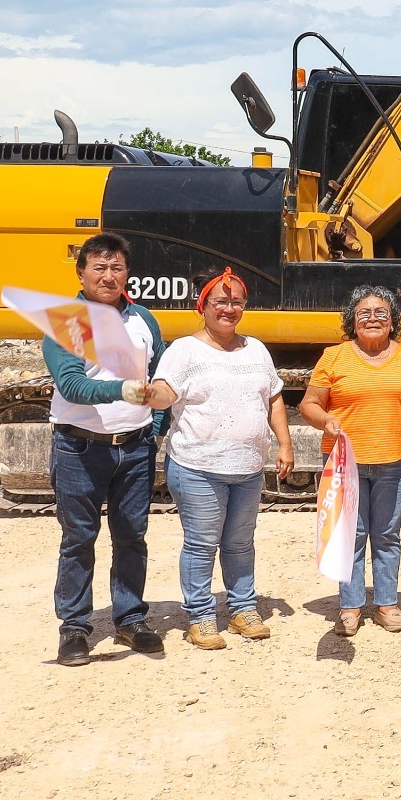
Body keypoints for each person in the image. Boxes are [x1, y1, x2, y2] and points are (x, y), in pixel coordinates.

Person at [147, 269, 288, 649]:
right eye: (221, 301)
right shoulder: (184, 351)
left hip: (248, 468)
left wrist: (285, 444)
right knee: (202, 544)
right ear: (203, 305)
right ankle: (201, 617)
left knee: (241, 543)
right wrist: (149, 394)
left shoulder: (256, 349)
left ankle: (242, 609)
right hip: (198, 468)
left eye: (237, 302)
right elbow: (165, 393)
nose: (229, 309)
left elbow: (274, 398)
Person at [45, 232, 166, 666]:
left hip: (134, 449)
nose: (108, 276)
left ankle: (130, 618)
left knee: (132, 536)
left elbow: (160, 376)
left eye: (117, 267)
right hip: (79, 449)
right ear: (81, 273)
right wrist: (123, 390)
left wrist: (155, 427)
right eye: (99, 267)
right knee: (79, 538)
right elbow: (71, 385)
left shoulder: (143, 320)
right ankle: (74, 628)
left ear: (127, 273)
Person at [301, 285, 401, 636]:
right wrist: (325, 420)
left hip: (395, 461)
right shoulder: (333, 357)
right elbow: (309, 404)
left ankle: (387, 604)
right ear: (352, 320)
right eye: (364, 313)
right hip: (345, 463)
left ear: (393, 321)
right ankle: (350, 606)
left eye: (381, 313)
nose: (373, 318)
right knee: (350, 534)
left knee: (387, 534)